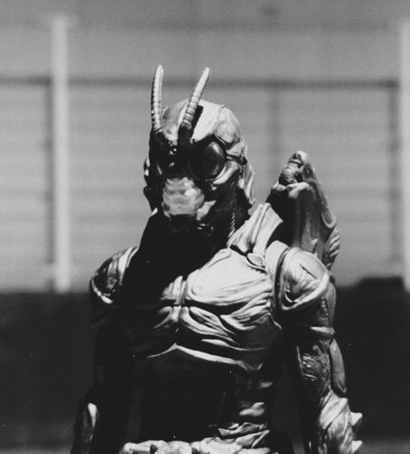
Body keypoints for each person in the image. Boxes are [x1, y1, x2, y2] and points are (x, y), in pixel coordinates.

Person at [72, 66, 362, 454]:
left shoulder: (286, 275)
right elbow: (104, 411)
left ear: (236, 171)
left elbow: (326, 414)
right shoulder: (121, 278)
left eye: (204, 161)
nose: (180, 184)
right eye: (167, 162)